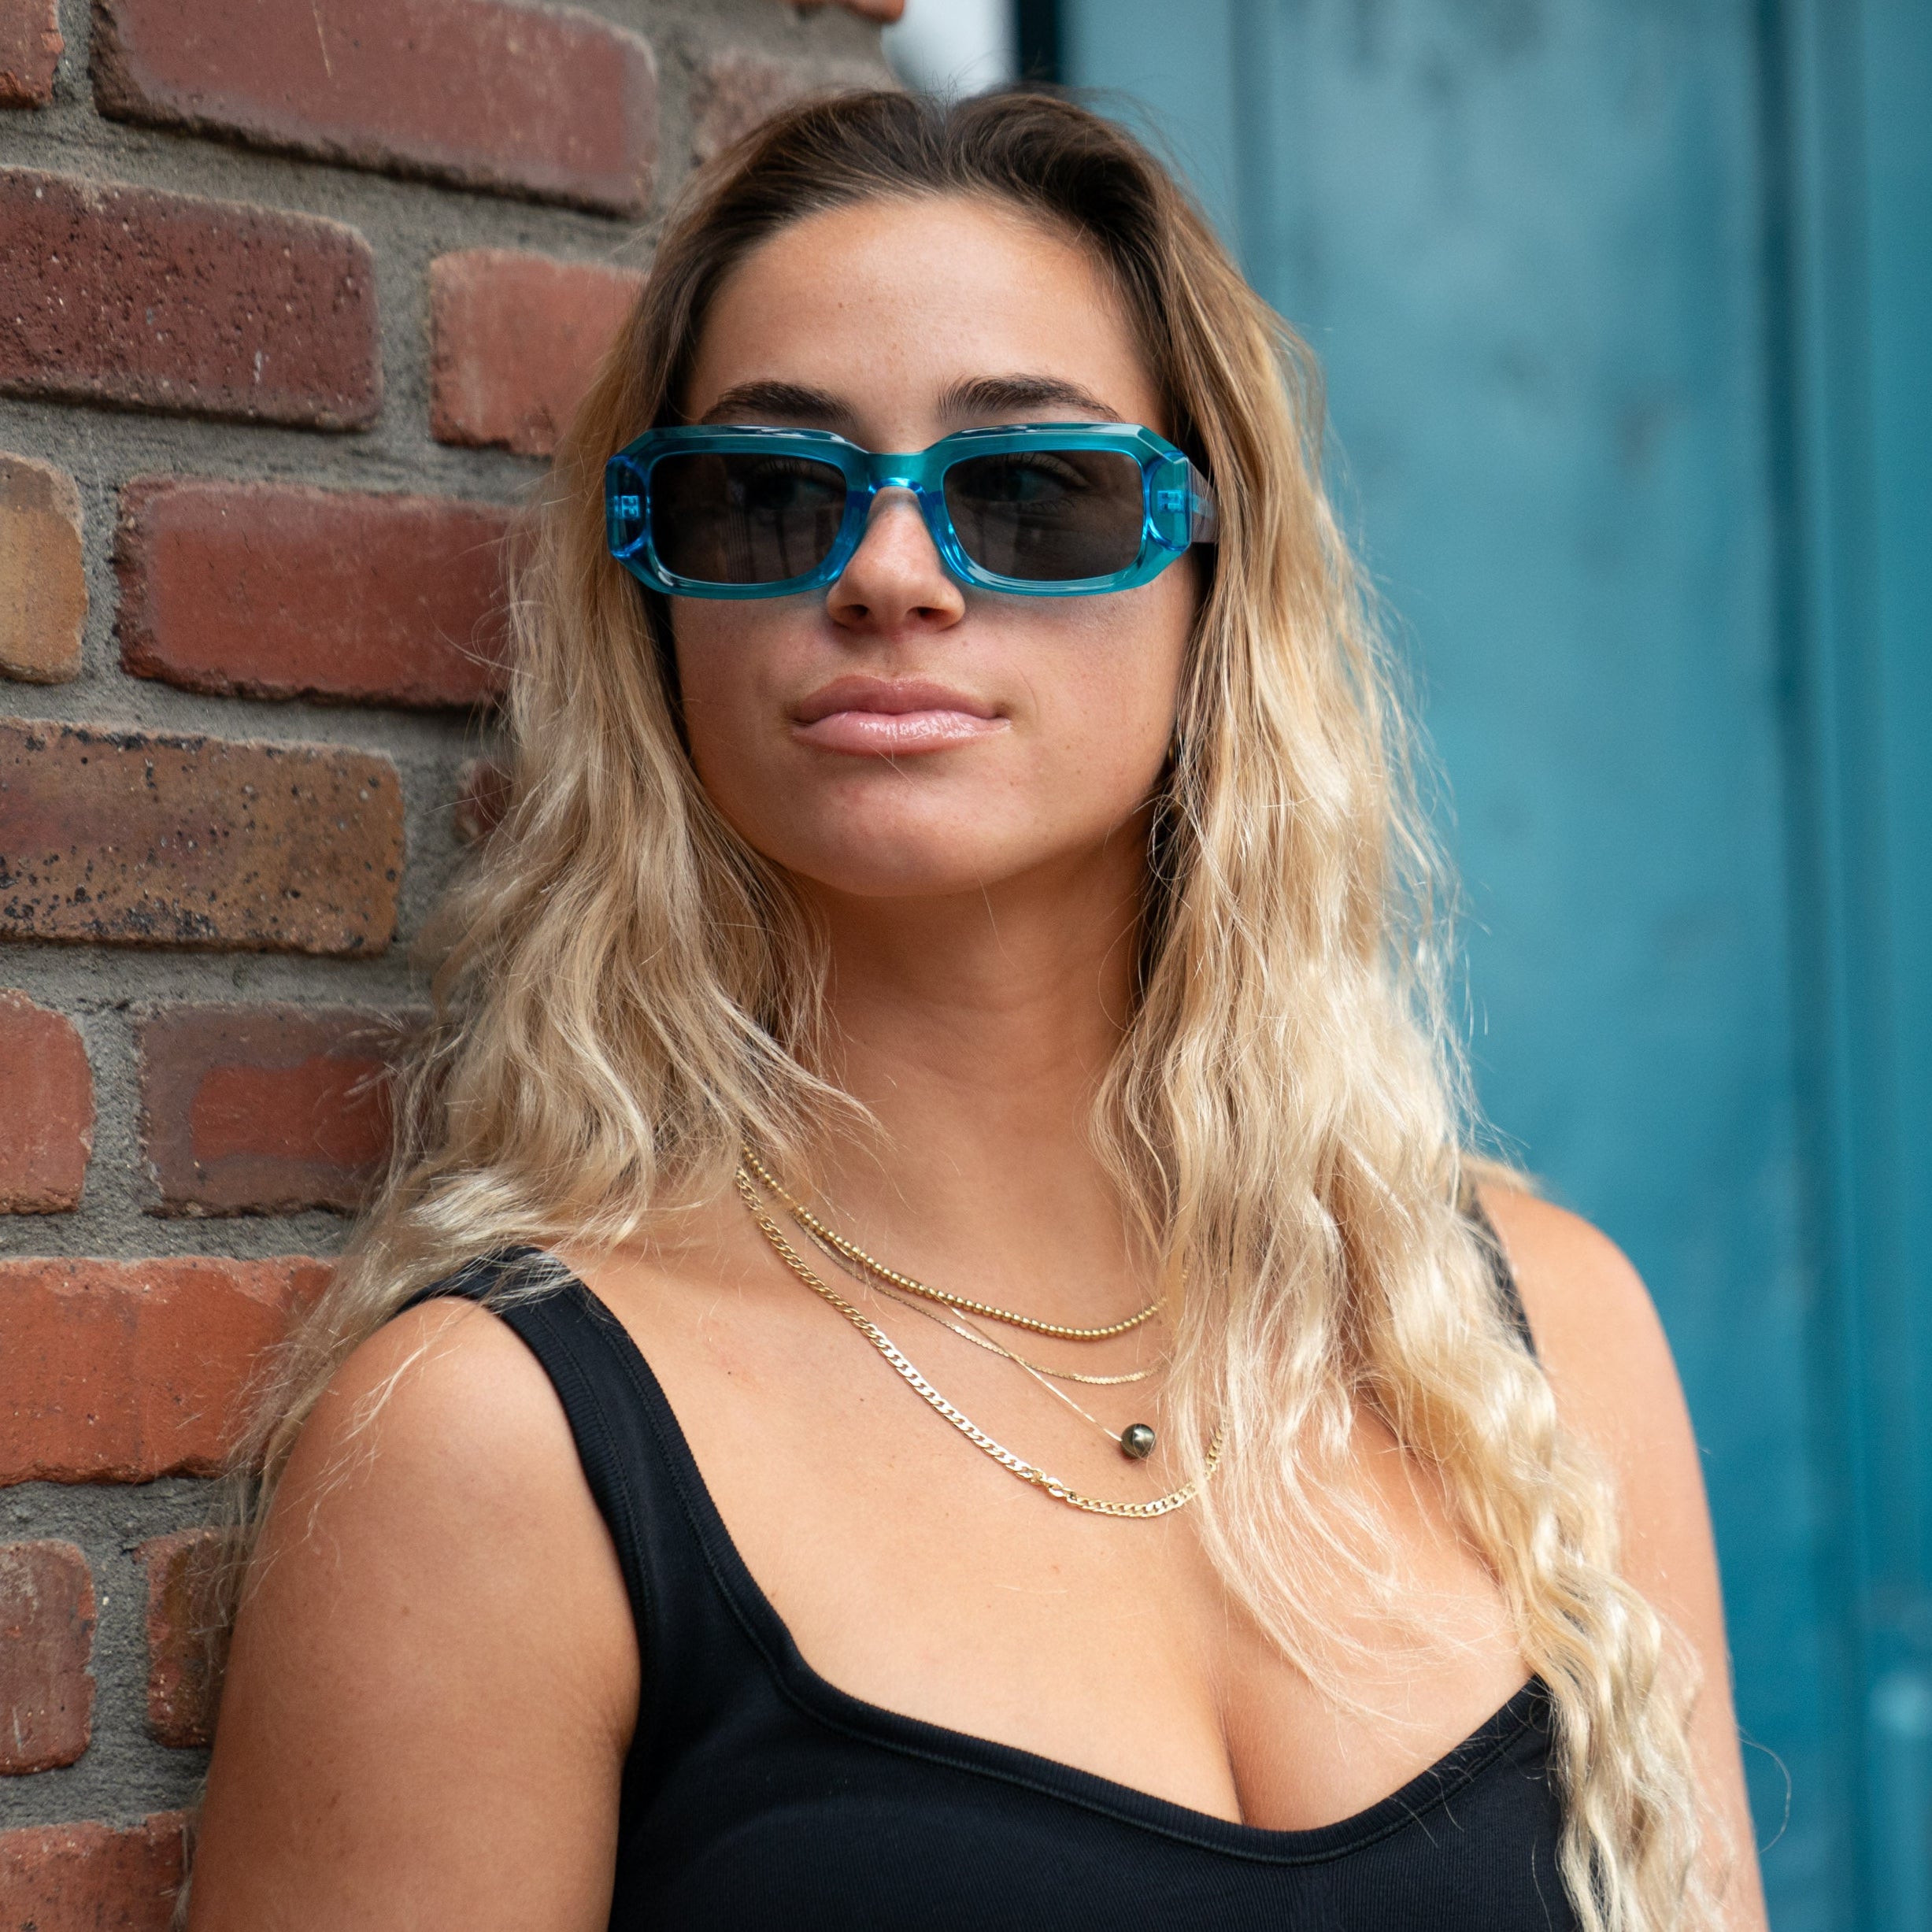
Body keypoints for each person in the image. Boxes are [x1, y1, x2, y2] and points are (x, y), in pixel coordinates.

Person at [185, 90, 1767, 1931]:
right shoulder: (494, 1446)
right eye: (770, 495)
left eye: (1032, 493)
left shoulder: (1536, 1345)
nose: (890, 574)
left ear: (1213, 574)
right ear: (656, 604)